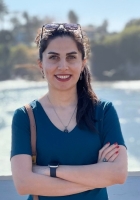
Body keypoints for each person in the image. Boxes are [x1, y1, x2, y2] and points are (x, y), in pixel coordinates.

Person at [11, 23, 127, 200]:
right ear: (41, 65)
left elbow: (118, 174)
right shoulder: (25, 117)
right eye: (54, 57)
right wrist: (98, 175)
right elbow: (24, 184)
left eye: (71, 57)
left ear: (82, 64)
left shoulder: (104, 112)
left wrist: (50, 171)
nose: (63, 66)